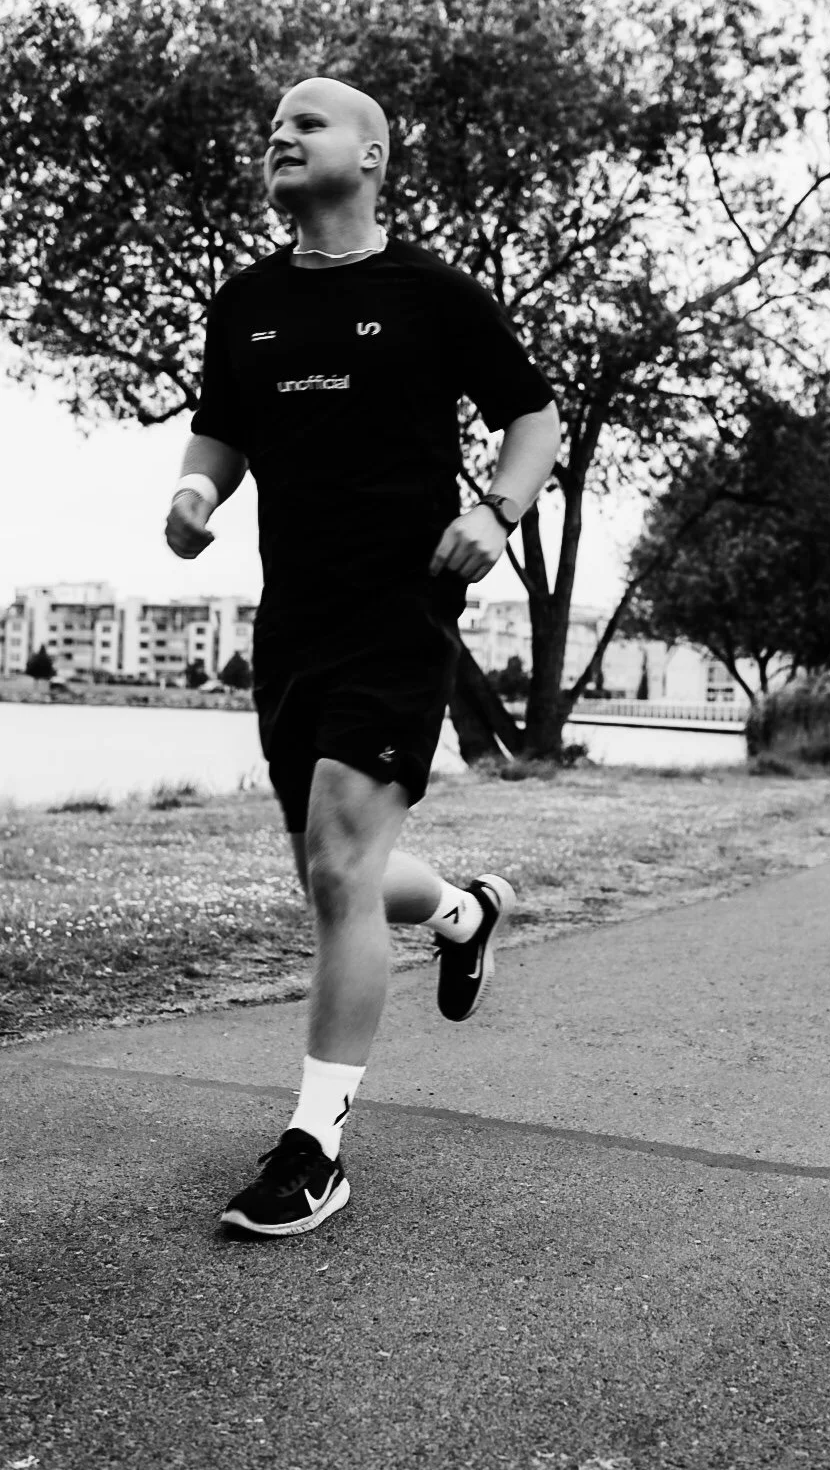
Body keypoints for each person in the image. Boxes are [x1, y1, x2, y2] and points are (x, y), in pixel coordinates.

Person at [165, 77, 561, 1237]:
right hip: (292, 622)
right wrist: (195, 488)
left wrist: (495, 516)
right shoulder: (245, 302)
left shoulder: (432, 293)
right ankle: (460, 911)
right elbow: (222, 423)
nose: (281, 137)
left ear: (374, 155)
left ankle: (314, 1146)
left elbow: (531, 415)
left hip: (402, 609)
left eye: (309, 123)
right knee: (331, 866)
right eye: (273, 128)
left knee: (339, 861)